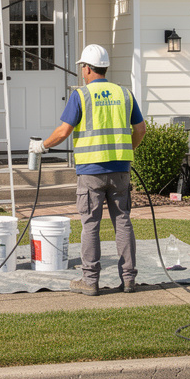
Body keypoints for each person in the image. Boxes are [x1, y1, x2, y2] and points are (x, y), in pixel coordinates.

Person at [31, 44, 146, 295]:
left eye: (83, 67)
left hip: (91, 171)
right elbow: (140, 130)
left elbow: (63, 131)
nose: (82, 71)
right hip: (120, 169)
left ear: (87, 68)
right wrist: (128, 150)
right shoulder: (124, 94)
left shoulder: (81, 95)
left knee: (91, 224)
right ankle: (128, 280)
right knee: (123, 222)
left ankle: (90, 281)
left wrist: (42, 146)